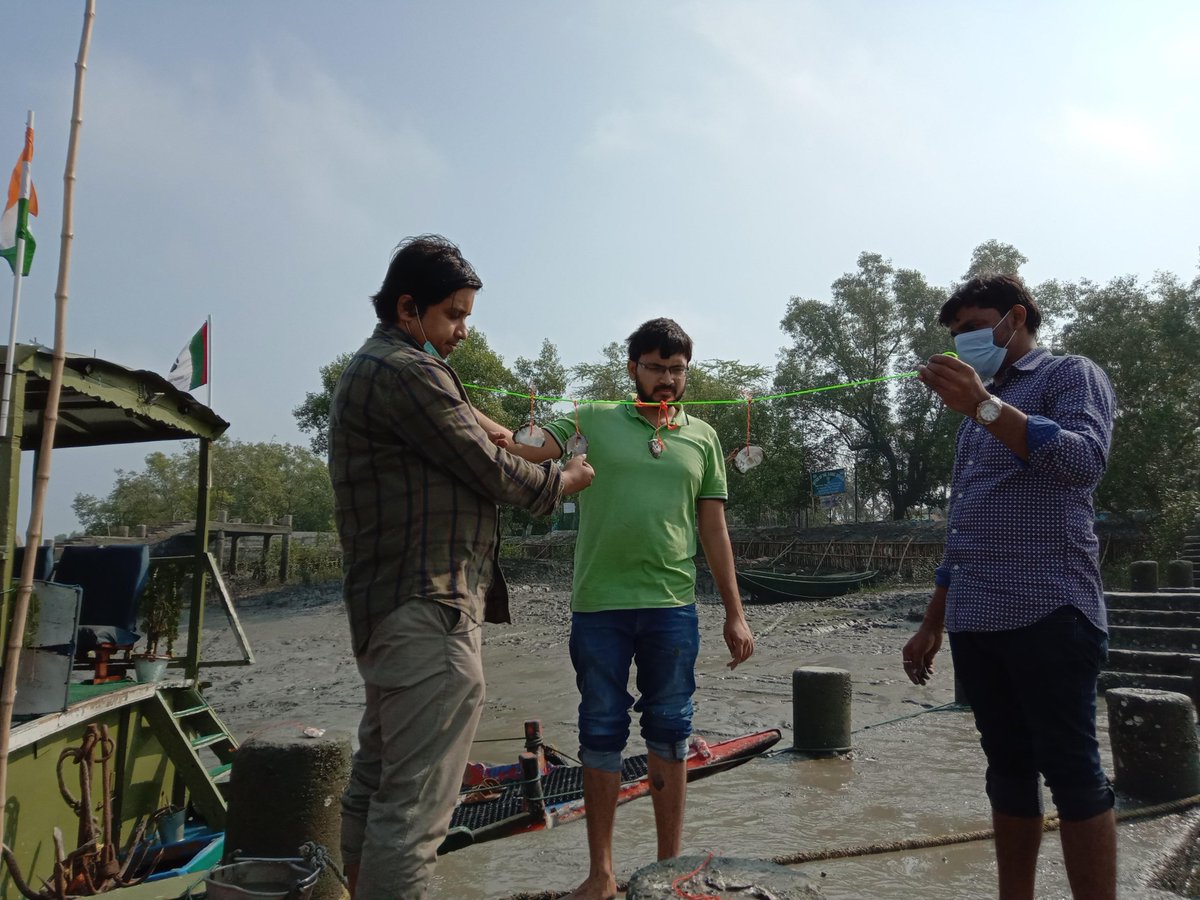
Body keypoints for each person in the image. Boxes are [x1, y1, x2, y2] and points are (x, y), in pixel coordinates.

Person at [328, 234, 595, 900]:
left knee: (379, 783)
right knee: (416, 813)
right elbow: (487, 465)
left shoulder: (389, 368)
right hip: (428, 611)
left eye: (467, 316)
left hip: (392, 610)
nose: (463, 332)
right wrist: (562, 480)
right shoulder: (405, 371)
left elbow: (480, 438)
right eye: (454, 315)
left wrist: (504, 435)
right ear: (408, 308)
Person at [507, 317, 755, 900]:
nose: (667, 379)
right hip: (599, 606)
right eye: (656, 368)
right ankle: (602, 874)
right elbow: (527, 447)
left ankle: (670, 871)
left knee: (670, 732)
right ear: (632, 370)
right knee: (600, 730)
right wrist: (473, 419)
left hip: (672, 606)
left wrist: (734, 612)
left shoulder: (703, 437)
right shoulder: (590, 419)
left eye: (677, 370)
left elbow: (714, 529)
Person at [904, 273, 1117, 900]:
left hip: (1050, 609)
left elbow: (1084, 461)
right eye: (955, 335)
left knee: (1074, 773)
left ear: (1014, 318)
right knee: (1008, 772)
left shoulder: (1069, 375)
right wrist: (932, 620)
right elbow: (964, 526)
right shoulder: (974, 416)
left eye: (972, 329)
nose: (964, 344)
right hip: (978, 619)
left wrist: (985, 407)